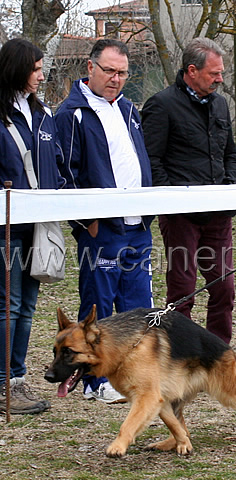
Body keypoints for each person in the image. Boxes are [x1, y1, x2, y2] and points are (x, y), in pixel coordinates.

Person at [55, 39, 154, 404]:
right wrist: (86, 223)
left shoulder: (129, 109)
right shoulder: (71, 114)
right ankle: (96, 381)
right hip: (102, 229)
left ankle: (133, 373)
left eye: (122, 72)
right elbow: (65, 173)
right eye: (109, 70)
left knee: (138, 302)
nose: (116, 79)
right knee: (99, 303)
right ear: (90, 67)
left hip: (137, 225)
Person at [141, 38, 236, 344]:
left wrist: (230, 188)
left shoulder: (221, 105)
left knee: (224, 287)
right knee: (182, 290)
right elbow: (151, 158)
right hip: (181, 215)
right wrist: (171, 198)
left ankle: (217, 353)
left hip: (218, 214)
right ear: (192, 70)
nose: (220, 79)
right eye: (214, 73)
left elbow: (230, 155)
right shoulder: (162, 105)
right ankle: (179, 354)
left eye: (221, 72)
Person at [0, 38, 66, 414]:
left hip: (36, 224)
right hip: (5, 227)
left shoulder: (41, 113)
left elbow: (55, 163)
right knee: (7, 306)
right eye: (36, 68)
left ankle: (17, 378)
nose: (42, 75)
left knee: (25, 306)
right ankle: (2, 384)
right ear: (17, 68)